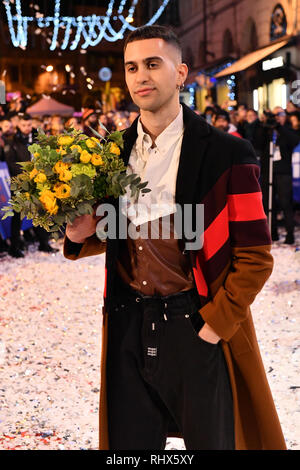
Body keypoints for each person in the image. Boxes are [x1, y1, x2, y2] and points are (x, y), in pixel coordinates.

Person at [63, 25, 286, 450]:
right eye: (131, 67)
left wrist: (215, 324)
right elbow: (112, 228)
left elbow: (256, 256)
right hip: (127, 320)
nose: (140, 76)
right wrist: (79, 233)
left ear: (180, 73)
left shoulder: (227, 152)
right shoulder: (110, 152)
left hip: (196, 321)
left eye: (152, 64)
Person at [4, 113, 58, 257]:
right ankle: (15, 247)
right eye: (23, 125)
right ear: (18, 125)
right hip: (20, 183)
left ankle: (44, 243)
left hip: (38, 182)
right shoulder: (12, 142)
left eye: (29, 125)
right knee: (18, 215)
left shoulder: (37, 139)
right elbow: (11, 164)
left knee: (41, 212)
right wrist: (29, 172)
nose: (27, 128)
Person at [268, 107, 300, 244]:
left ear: (285, 116)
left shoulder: (288, 130)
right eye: (274, 115)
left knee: (285, 203)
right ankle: (272, 233)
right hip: (269, 171)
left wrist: (280, 128)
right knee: (270, 204)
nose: (277, 117)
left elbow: (294, 141)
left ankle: (290, 235)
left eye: (280, 114)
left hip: (284, 172)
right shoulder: (267, 129)